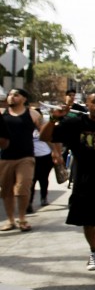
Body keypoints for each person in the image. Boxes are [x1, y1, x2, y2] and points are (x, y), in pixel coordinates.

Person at [40, 87, 95, 288]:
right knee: (89, 225)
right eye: (93, 102)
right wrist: (54, 119)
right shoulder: (75, 124)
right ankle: (93, 250)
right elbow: (46, 137)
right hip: (83, 184)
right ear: (87, 104)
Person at [0, 88, 43, 232]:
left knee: (23, 187)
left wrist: (55, 152)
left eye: (16, 95)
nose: (12, 97)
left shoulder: (33, 114)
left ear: (24, 98)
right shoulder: (2, 113)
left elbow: (44, 133)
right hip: (5, 157)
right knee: (6, 191)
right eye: (10, 95)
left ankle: (22, 218)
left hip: (26, 157)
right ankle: (10, 220)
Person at [26, 116, 57, 213]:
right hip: (33, 157)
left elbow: (52, 143)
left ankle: (44, 197)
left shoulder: (45, 131)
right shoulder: (30, 130)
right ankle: (29, 203)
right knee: (32, 180)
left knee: (43, 179)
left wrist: (55, 152)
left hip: (45, 157)